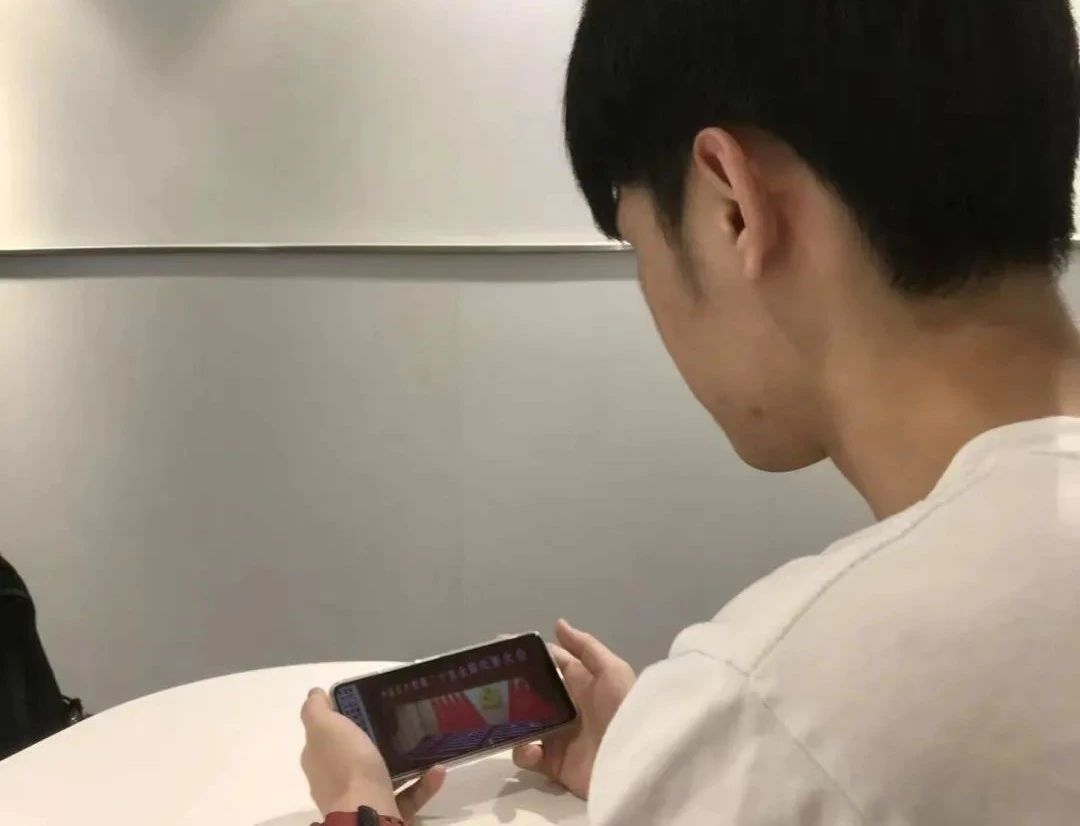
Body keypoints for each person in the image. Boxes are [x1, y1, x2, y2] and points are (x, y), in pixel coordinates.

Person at [300, 0, 1080, 823]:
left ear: (731, 204)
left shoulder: (786, 710)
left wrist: (359, 806)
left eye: (638, 245)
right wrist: (671, 778)